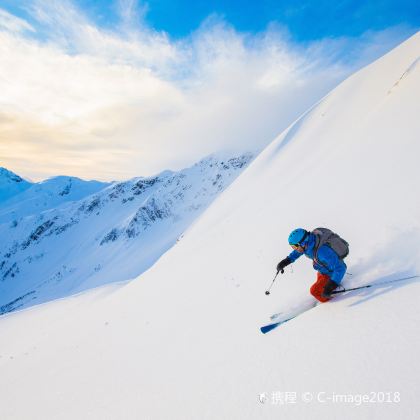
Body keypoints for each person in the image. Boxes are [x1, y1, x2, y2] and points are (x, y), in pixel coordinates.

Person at [276, 228, 347, 302]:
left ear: (303, 243)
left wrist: (331, 285)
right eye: (293, 247)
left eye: (295, 246)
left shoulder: (322, 252)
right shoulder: (309, 244)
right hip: (322, 269)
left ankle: (332, 302)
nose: (295, 249)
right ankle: (330, 289)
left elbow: (341, 268)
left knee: (315, 291)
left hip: (331, 273)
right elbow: (298, 252)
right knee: (320, 284)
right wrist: (286, 261)